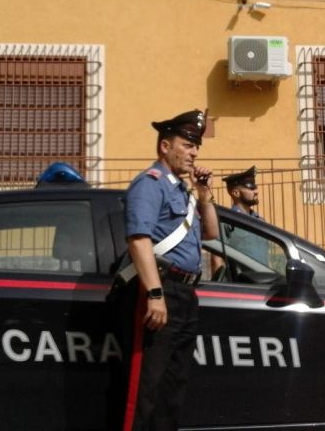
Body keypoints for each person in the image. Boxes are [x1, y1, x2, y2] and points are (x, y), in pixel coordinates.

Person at [115, 109, 218, 431]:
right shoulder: (150, 184)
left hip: (185, 293)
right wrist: (155, 294)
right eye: (187, 145)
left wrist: (204, 195)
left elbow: (211, 234)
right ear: (165, 146)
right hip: (160, 291)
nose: (194, 153)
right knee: (145, 388)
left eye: (196, 146)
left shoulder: (181, 190)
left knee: (172, 388)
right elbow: (138, 239)